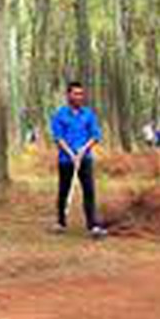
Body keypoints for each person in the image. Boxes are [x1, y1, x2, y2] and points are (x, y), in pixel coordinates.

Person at [50, 81, 107, 239]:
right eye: (75, 94)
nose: (79, 97)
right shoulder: (60, 114)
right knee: (64, 191)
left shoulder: (88, 114)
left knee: (89, 191)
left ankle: (93, 225)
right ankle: (60, 222)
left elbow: (95, 135)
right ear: (68, 95)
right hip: (65, 160)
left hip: (85, 158)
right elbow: (58, 138)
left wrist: (83, 150)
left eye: (81, 94)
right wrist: (71, 153)